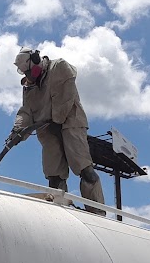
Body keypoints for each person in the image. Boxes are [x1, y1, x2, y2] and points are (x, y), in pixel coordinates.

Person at [9, 47, 106, 215]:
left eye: (30, 71)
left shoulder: (59, 68)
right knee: (54, 175)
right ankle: (60, 211)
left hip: (70, 122)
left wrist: (57, 119)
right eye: (25, 74)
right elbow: (26, 111)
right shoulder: (29, 87)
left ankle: (97, 212)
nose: (29, 76)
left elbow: (65, 97)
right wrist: (18, 130)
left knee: (84, 169)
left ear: (36, 60)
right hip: (46, 129)